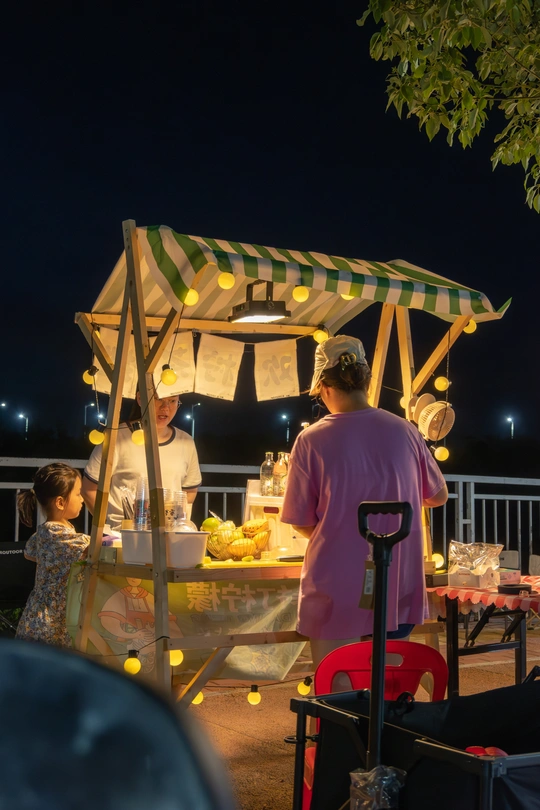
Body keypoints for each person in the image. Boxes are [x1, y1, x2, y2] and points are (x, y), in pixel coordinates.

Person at [281, 335, 448, 670]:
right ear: (366, 382)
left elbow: (301, 519)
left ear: (324, 387)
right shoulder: (406, 431)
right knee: (389, 686)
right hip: (397, 580)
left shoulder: (310, 440)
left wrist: (341, 533)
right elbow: (437, 495)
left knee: (338, 685)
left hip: (336, 585)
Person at [82, 392, 201, 529]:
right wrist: (109, 525)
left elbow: (189, 492)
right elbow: (89, 489)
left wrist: (178, 525)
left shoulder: (186, 441)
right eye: (158, 399)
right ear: (140, 398)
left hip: (170, 534)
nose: (165, 407)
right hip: (125, 534)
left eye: (173, 401)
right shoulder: (117, 437)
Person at [16, 463, 90, 647]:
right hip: (49, 622)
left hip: (42, 616)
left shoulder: (47, 531)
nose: (82, 499)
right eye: (78, 494)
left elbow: (29, 553)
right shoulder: (55, 533)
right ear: (60, 502)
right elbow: (90, 545)